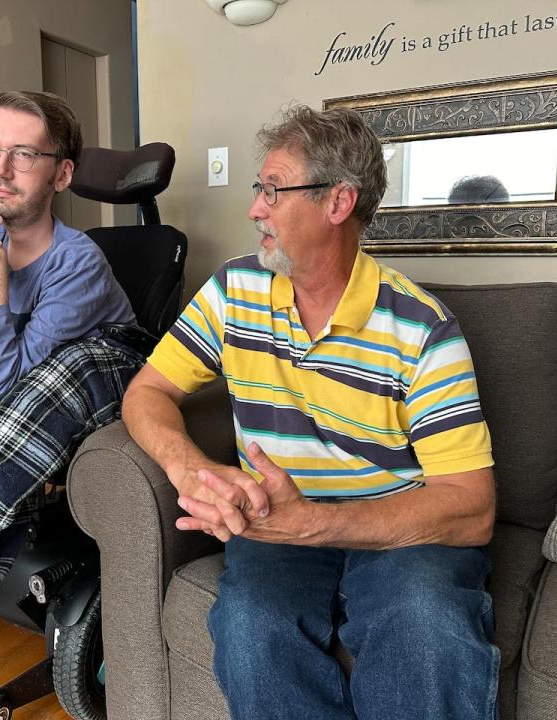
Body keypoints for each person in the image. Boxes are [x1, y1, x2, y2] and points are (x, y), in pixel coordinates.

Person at [121, 105, 499, 719]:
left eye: (274, 189)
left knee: (424, 627)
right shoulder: (233, 291)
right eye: (258, 188)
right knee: (249, 625)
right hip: (274, 523)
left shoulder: (422, 328)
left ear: (338, 203)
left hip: (399, 528)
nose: (254, 209)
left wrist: (315, 523)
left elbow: (473, 506)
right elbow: (146, 392)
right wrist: (191, 470)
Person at [0, 90, 135, 398]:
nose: (0, 169)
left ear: (62, 175)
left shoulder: (79, 263)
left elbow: (0, 385)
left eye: (23, 153)